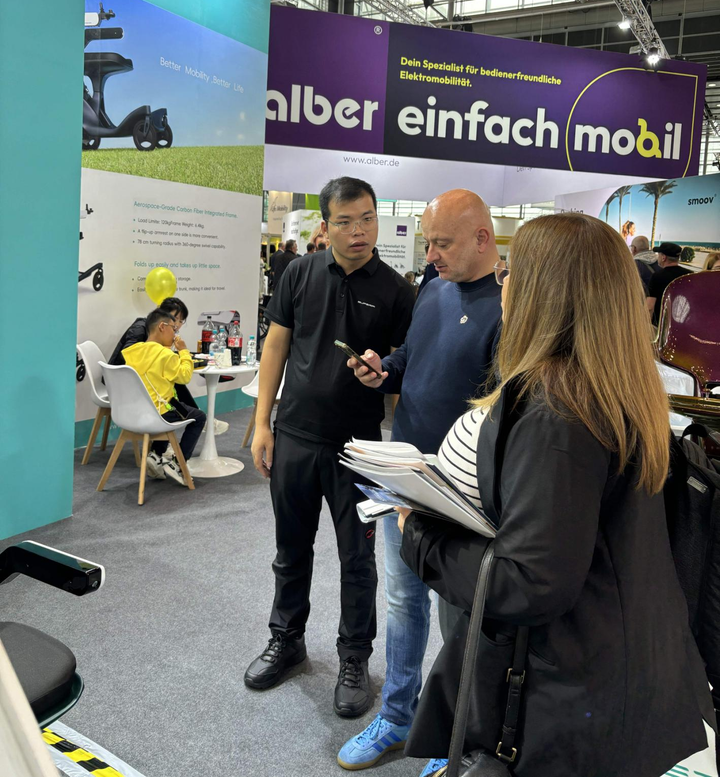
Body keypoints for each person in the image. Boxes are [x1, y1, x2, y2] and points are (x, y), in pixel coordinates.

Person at [396, 213, 714, 777]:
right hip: (617, 672)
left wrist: (419, 534)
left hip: (565, 699)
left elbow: (531, 582)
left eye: (512, 272)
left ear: (544, 290)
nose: (503, 284)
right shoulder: (619, 389)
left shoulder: (556, 410)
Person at [337, 190, 503, 772]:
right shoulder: (433, 288)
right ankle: (398, 716)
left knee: (461, 618)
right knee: (403, 600)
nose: (429, 254)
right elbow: (411, 355)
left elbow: (502, 411)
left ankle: (456, 736)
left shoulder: (511, 308)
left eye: (441, 243)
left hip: (462, 493)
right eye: (428, 241)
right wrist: (382, 370)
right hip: (404, 474)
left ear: (482, 238)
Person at [244, 176, 415, 718]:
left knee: (356, 559)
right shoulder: (299, 272)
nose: (359, 230)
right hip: (294, 435)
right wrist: (262, 423)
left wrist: (383, 374)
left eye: (367, 218)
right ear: (326, 225)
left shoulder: (397, 290)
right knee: (290, 549)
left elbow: (403, 366)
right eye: (345, 221)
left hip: (357, 446)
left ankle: (354, 657)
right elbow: (276, 345)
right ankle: (286, 639)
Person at [109, 297, 228, 437]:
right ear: (163, 321)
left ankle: (187, 422)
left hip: (139, 386)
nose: (177, 326)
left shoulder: (154, 332)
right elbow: (128, 360)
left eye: (181, 321)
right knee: (175, 381)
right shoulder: (140, 329)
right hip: (122, 384)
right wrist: (174, 354)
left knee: (171, 379)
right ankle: (194, 419)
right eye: (175, 319)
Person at [122, 308, 207, 484]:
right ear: (162, 327)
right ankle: (178, 463)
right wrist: (183, 351)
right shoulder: (165, 355)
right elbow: (185, 376)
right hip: (158, 413)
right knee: (198, 417)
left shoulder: (132, 351)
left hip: (133, 412)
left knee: (174, 405)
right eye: (173, 329)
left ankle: (155, 455)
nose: (175, 333)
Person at [648, 241, 692, 326]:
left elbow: (650, 306)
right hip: (684, 322)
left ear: (663, 257)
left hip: (663, 325)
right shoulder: (689, 275)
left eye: (659, 255)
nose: (658, 257)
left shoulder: (657, 276)